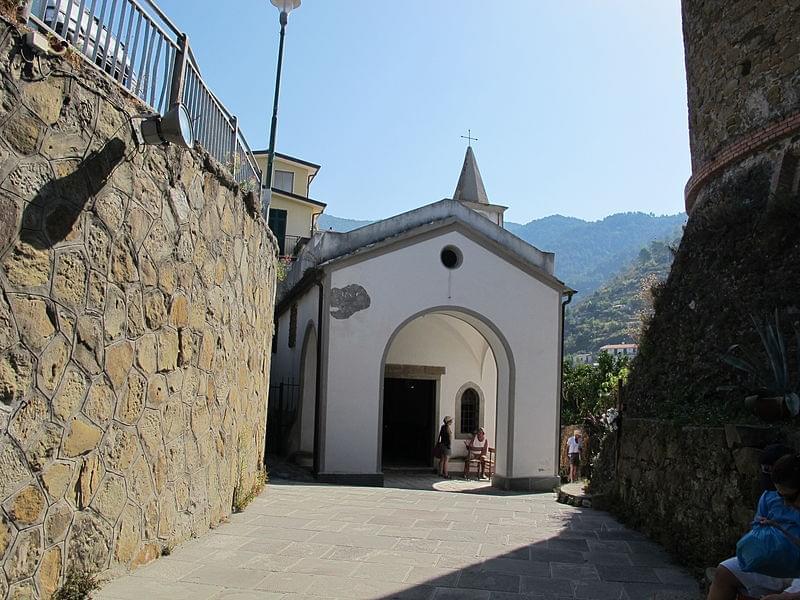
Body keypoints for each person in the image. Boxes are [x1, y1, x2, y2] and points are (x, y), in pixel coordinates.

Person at [708, 453, 800, 600]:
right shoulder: (771, 498)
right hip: (780, 559)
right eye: (780, 496)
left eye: (790, 497)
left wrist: (789, 597)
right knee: (724, 572)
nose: (785, 503)